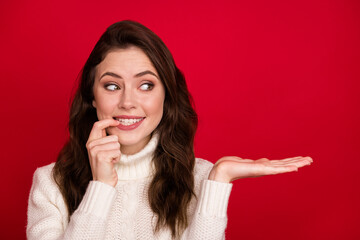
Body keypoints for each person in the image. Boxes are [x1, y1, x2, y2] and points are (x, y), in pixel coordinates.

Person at [26, 20, 312, 240]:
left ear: (167, 95)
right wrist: (100, 187)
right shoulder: (51, 184)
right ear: (92, 96)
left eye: (146, 85)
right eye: (112, 86)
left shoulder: (199, 178)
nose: (127, 102)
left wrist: (219, 180)